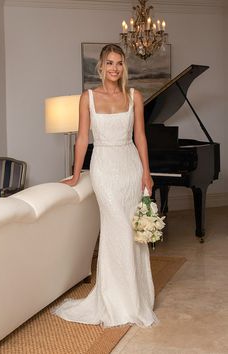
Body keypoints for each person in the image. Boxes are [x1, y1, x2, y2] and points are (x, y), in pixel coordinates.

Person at [52, 43, 158, 327]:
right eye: (109, 63)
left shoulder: (134, 96)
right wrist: (76, 174)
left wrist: (146, 172)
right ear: (101, 67)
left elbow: (141, 137)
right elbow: (83, 139)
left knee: (132, 231)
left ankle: (136, 298)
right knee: (117, 229)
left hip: (130, 167)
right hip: (104, 169)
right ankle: (116, 301)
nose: (114, 68)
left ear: (124, 66)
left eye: (119, 63)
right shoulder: (87, 98)